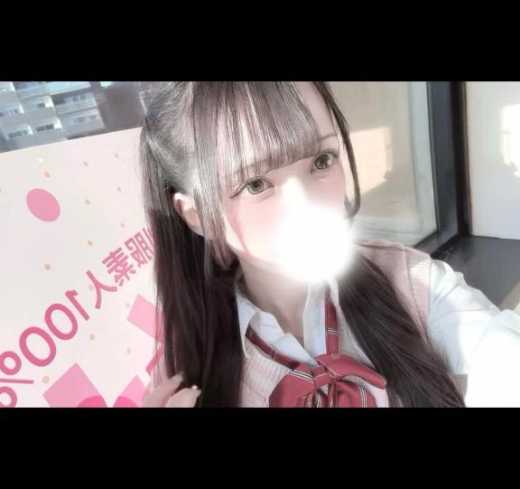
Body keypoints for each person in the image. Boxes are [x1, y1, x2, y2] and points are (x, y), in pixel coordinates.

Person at [139, 82, 520, 407]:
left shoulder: (411, 282)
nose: (307, 205)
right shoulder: (188, 361)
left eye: (322, 160)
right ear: (196, 215)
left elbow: (499, 352)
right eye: (256, 184)